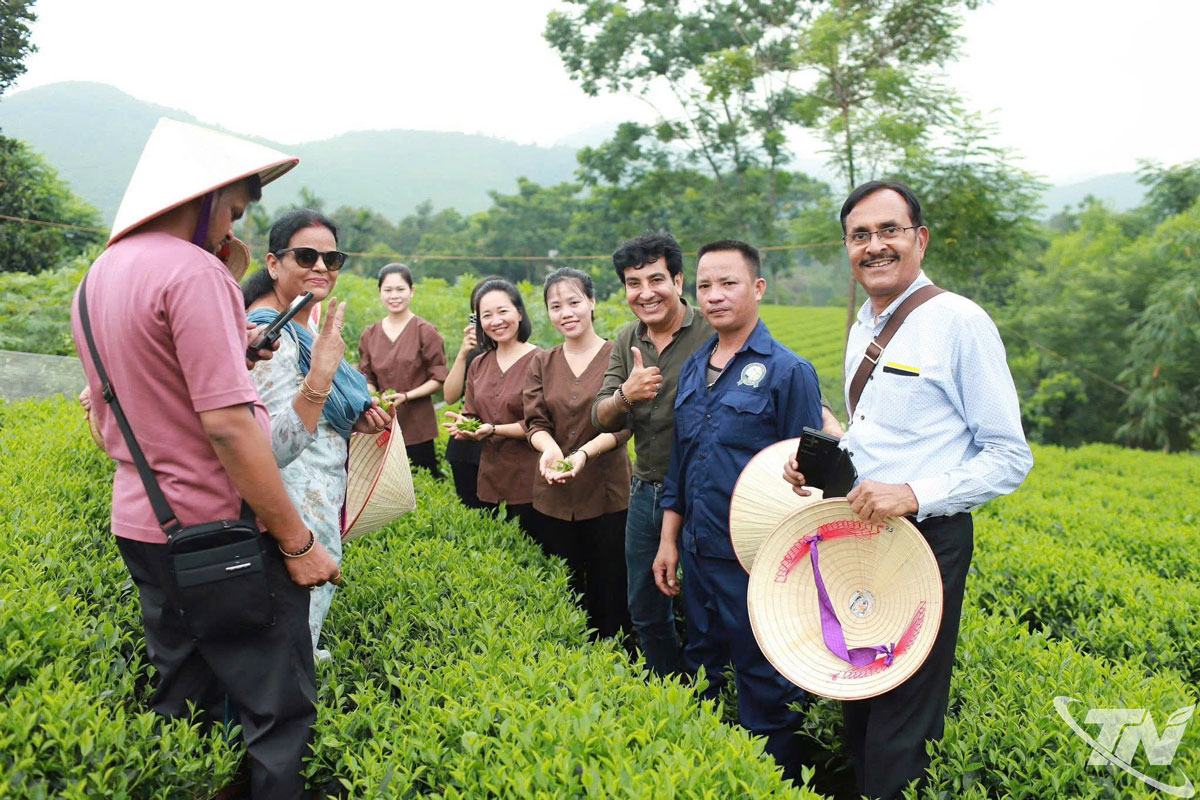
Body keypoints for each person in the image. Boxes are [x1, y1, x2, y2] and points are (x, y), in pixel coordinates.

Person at [69, 118, 339, 799]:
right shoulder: (196, 273)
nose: (231, 231)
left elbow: (136, 388)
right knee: (278, 715)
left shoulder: (97, 277)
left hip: (142, 524)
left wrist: (234, 345)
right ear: (202, 195)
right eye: (234, 211)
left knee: (181, 699)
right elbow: (226, 426)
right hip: (217, 534)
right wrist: (297, 539)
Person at [784, 180, 1034, 799]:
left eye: (889, 231)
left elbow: (1009, 456)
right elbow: (878, 439)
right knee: (858, 692)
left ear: (919, 239)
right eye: (860, 235)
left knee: (903, 713)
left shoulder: (960, 323)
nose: (875, 246)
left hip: (927, 539)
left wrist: (915, 494)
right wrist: (824, 466)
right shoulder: (864, 322)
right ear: (847, 247)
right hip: (861, 534)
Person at [652, 239, 823, 781]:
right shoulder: (697, 364)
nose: (715, 296)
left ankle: (780, 782)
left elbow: (810, 482)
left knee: (765, 685)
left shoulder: (788, 371)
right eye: (705, 286)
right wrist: (668, 540)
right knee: (702, 665)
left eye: (728, 283)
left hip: (758, 563)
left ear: (757, 288)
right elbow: (681, 462)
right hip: (699, 554)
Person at [243, 210, 390, 657]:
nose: (321, 268)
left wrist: (349, 414)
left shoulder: (301, 325)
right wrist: (323, 376)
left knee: (296, 636)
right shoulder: (271, 336)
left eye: (333, 258)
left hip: (317, 501)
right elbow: (272, 448)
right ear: (273, 264)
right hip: (288, 511)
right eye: (306, 256)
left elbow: (313, 414)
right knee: (285, 643)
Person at [524, 268, 633, 640]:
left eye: (574, 302)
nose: (566, 312)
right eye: (556, 306)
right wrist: (551, 448)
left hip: (607, 493)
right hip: (553, 493)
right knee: (563, 587)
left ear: (592, 302)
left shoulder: (616, 357)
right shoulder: (542, 361)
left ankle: (614, 664)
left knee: (610, 587)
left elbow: (625, 425)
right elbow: (534, 422)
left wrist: (584, 453)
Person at [443, 278, 545, 539]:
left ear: (519, 313)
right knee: (492, 546)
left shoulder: (542, 360)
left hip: (530, 477)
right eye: (486, 315)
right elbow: (471, 410)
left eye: (503, 311)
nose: (496, 321)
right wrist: (466, 425)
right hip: (489, 475)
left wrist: (493, 429)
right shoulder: (479, 363)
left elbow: (542, 423)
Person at [357, 263, 448, 477]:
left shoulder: (425, 332)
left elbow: (438, 378)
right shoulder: (369, 334)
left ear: (412, 291)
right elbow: (367, 374)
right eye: (388, 290)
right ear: (379, 292)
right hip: (381, 424)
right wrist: (373, 394)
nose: (394, 296)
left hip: (418, 426)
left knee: (422, 483)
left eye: (400, 289)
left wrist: (406, 396)